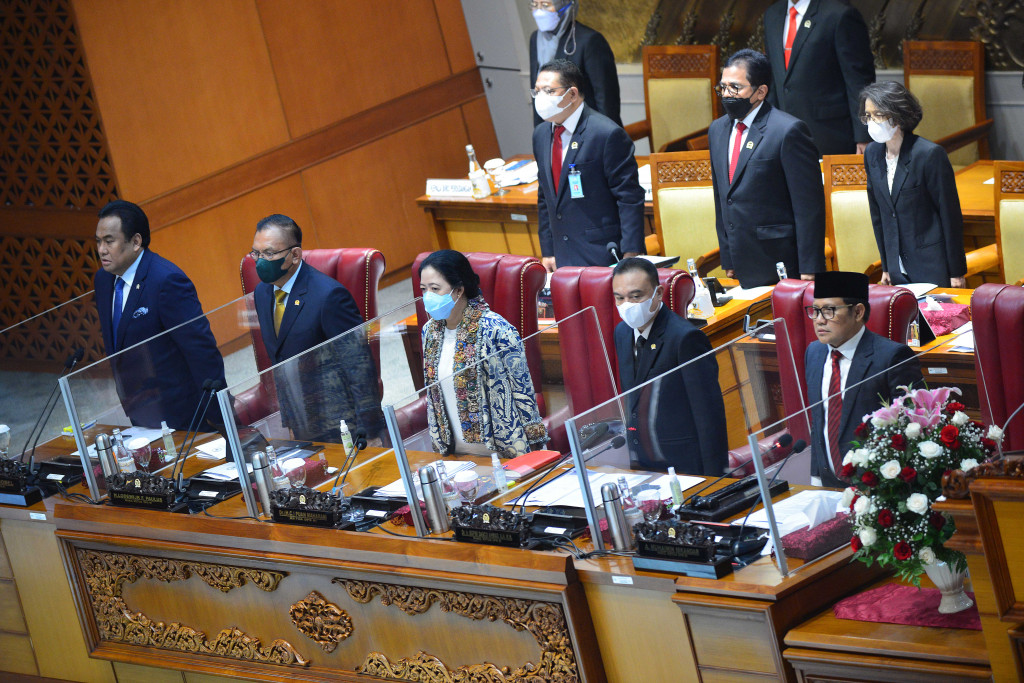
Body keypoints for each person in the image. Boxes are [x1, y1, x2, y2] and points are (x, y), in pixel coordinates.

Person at [250, 214, 384, 442]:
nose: (261, 261)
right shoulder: (262, 293)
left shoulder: (329, 296)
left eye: (270, 254)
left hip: (340, 423)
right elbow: (280, 362)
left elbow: (358, 366)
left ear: (295, 255)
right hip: (301, 419)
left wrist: (370, 432)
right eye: (257, 253)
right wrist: (291, 420)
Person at [93, 200, 224, 430]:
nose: (102, 250)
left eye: (109, 241)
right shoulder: (103, 280)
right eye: (98, 241)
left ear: (135, 241)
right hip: (139, 409)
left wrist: (219, 414)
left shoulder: (166, 281)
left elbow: (201, 351)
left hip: (182, 414)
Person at [709, 49, 826, 288]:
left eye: (736, 88)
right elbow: (722, 196)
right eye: (723, 87)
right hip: (741, 260)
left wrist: (810, 267)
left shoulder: (788, 131)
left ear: (760, 91)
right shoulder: (717, 130)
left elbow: (809, 207)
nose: (727, 95)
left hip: (780, 261)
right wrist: (728, 254)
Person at [419, 250, 547, 457]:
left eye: (435, 289)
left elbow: (524, 395)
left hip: (502, 453)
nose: (428, 297)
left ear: (458, 290)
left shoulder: (497, 330)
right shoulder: (429, 333)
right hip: (452, 453)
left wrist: (537, 451)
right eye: (424, 289)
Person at [804, 271, 923, 488]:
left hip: (878, 487)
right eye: (815, 311)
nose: (819, 320)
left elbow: (912, 426)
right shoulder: (814, 353)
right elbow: (818, 422)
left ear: (858, 312)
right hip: (830, 484)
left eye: (829, 311)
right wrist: (817, 478)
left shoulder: (892, 357)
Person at [612, 258, 727, 474]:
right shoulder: (622, 332)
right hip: (642, 462)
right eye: (620, 298)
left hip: (685, 465)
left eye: (636, 296)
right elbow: (632, 397)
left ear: (658, 293)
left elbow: (709, 417)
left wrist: (716, 479)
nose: (627, 305)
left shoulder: (686, 338)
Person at [533, 59, 644, 271]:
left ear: (572, 94)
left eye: (548, 91)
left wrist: (631, 253)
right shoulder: (540, 135)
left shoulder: (606, 134)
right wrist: (548, 249)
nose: (540, 98)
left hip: (602, 252)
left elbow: (629, 197)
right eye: (537, 91)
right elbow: (544, 196)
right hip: (562, 255)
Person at [860, 82, 968, 287]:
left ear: (898, 115)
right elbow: (879, 214)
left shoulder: (928, 154)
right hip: (896, 267)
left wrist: (957, 272)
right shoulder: (872, 154)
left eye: (878, 115)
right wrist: (886, 264)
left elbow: (949, 215)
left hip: (932, 266)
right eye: (868, 116)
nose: (872, 122)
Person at [763, 0, 875, 156]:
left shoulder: (839, 14)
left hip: (830, 136)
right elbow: (774, 80)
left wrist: (864, 135)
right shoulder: (772, 15)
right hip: (784, 136)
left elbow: (858, 80)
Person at [528, 0, 621, 127]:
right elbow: (537, 92)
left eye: (546, 5)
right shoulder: (535, 39)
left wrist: (605, 138)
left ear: (565, 6)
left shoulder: (590, 40)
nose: (539, 12)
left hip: (586, 130)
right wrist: (540, 135)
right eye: (534, 5)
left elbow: (606, 100)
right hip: (552, 129)